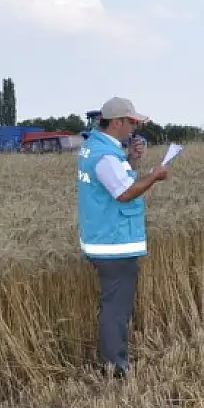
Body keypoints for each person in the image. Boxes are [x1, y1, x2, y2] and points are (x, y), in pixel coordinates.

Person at [75, 97, 168, 378]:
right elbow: (124, 192)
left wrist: (131, 160)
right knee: (116, 308)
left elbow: (114, 180)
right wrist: (154, 176)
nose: (134, 128)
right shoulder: (104, 155)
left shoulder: (96, 148)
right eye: (132, 122)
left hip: (102, 238)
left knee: (112, 304)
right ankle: (115, 366)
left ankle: (112, 359)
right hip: (113, 243)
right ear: (117, 122)